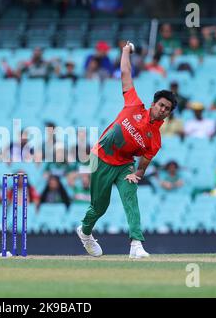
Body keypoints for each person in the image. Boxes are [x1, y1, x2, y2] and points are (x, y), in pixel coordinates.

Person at [76, 41, 177, 259]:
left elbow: (143, 166)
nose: (162, 110)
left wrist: (137, 174)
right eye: (161, 105)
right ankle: (85, 232)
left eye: (167, 109)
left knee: (130, 197)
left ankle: (136, 245)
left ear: (168, 114)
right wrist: (125, 51)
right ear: (153, 103)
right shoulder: (133, 104)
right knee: (99, 208)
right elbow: (125, 72)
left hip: (124, 165)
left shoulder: (156, 140)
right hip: (100, 157)